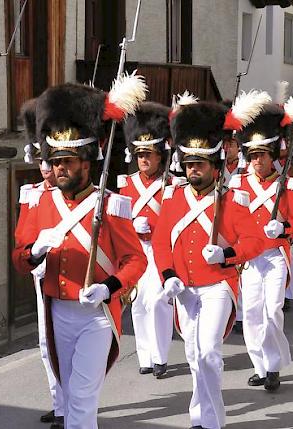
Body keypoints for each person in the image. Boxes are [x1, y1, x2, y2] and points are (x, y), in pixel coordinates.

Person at [13, 81, 148, 429]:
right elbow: (18, 257)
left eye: (67, 161)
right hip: (57, 310)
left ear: (86, 162)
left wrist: (110, 287)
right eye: (55, 161)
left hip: (97, 313)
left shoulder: (111, 205)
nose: (59, 168)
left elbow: (136, 260)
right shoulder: (38, 202)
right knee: (71, 393)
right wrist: (34, 252)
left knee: (84, 398)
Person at [152, 98, 265, 429]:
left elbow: (254, 242)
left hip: (218, 285)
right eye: (189, 164)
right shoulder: (173, 198)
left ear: (215, 166)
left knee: (208, 354)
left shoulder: (233, 199)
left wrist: (227, 255)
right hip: (185, 289)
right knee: (192, 356)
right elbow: (161, 242)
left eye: (200, 164)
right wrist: (168, 275)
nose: (193, 170)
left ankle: (214, 421)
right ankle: (199, 416)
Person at [229, 97, 293, 391]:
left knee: (272, 311)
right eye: (252, 156)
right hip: (250, 259)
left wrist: (284, 227)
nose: (256, 161)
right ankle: (259, 366)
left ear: (271, 155)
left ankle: (273, 366)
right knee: (250, 312)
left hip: (275, 255)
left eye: (261, 155)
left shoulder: (287, 184)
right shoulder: (239, 184)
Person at [12, 98, 64, 428]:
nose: (46, 167)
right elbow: (21, 239)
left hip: (71, 274)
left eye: (51, 160)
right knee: (46, 342)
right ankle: (60, 402)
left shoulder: (78, 195)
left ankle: (76, 401)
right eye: (41, 160)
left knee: (68, 343)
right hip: (41, 274)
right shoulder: (31, 193)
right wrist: (33, 253)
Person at [117, 102, 177, 378]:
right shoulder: (126, 184)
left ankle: (160, 355)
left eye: (149, 154)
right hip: (135, 248)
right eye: (140, 154)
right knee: (139, 302)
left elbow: (177, 221)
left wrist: (152, 225)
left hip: (159, 248)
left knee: (157, 300)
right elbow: (117, 222)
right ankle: (145, 356)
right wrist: (131, 225)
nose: (143, 159)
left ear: (160, 155)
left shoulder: (173, 184)